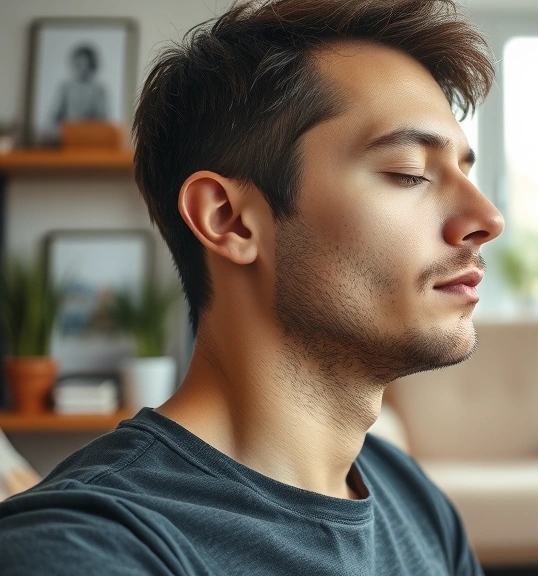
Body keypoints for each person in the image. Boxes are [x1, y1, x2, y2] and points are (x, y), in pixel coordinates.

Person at [0, 0, 503, 574]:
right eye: (409, 172)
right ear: (229, 220)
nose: (487, 217)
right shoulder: (85, 549)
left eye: (466, 171)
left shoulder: (410, 498)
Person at [52, 44, 109, 124]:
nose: (81, 68)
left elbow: (102, 118)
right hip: (68, 131)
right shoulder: (66, 87)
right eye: (78, 64)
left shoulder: (98, 90)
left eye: (84, 64)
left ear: (91, 65)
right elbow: (55, 115)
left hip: (90, 132)